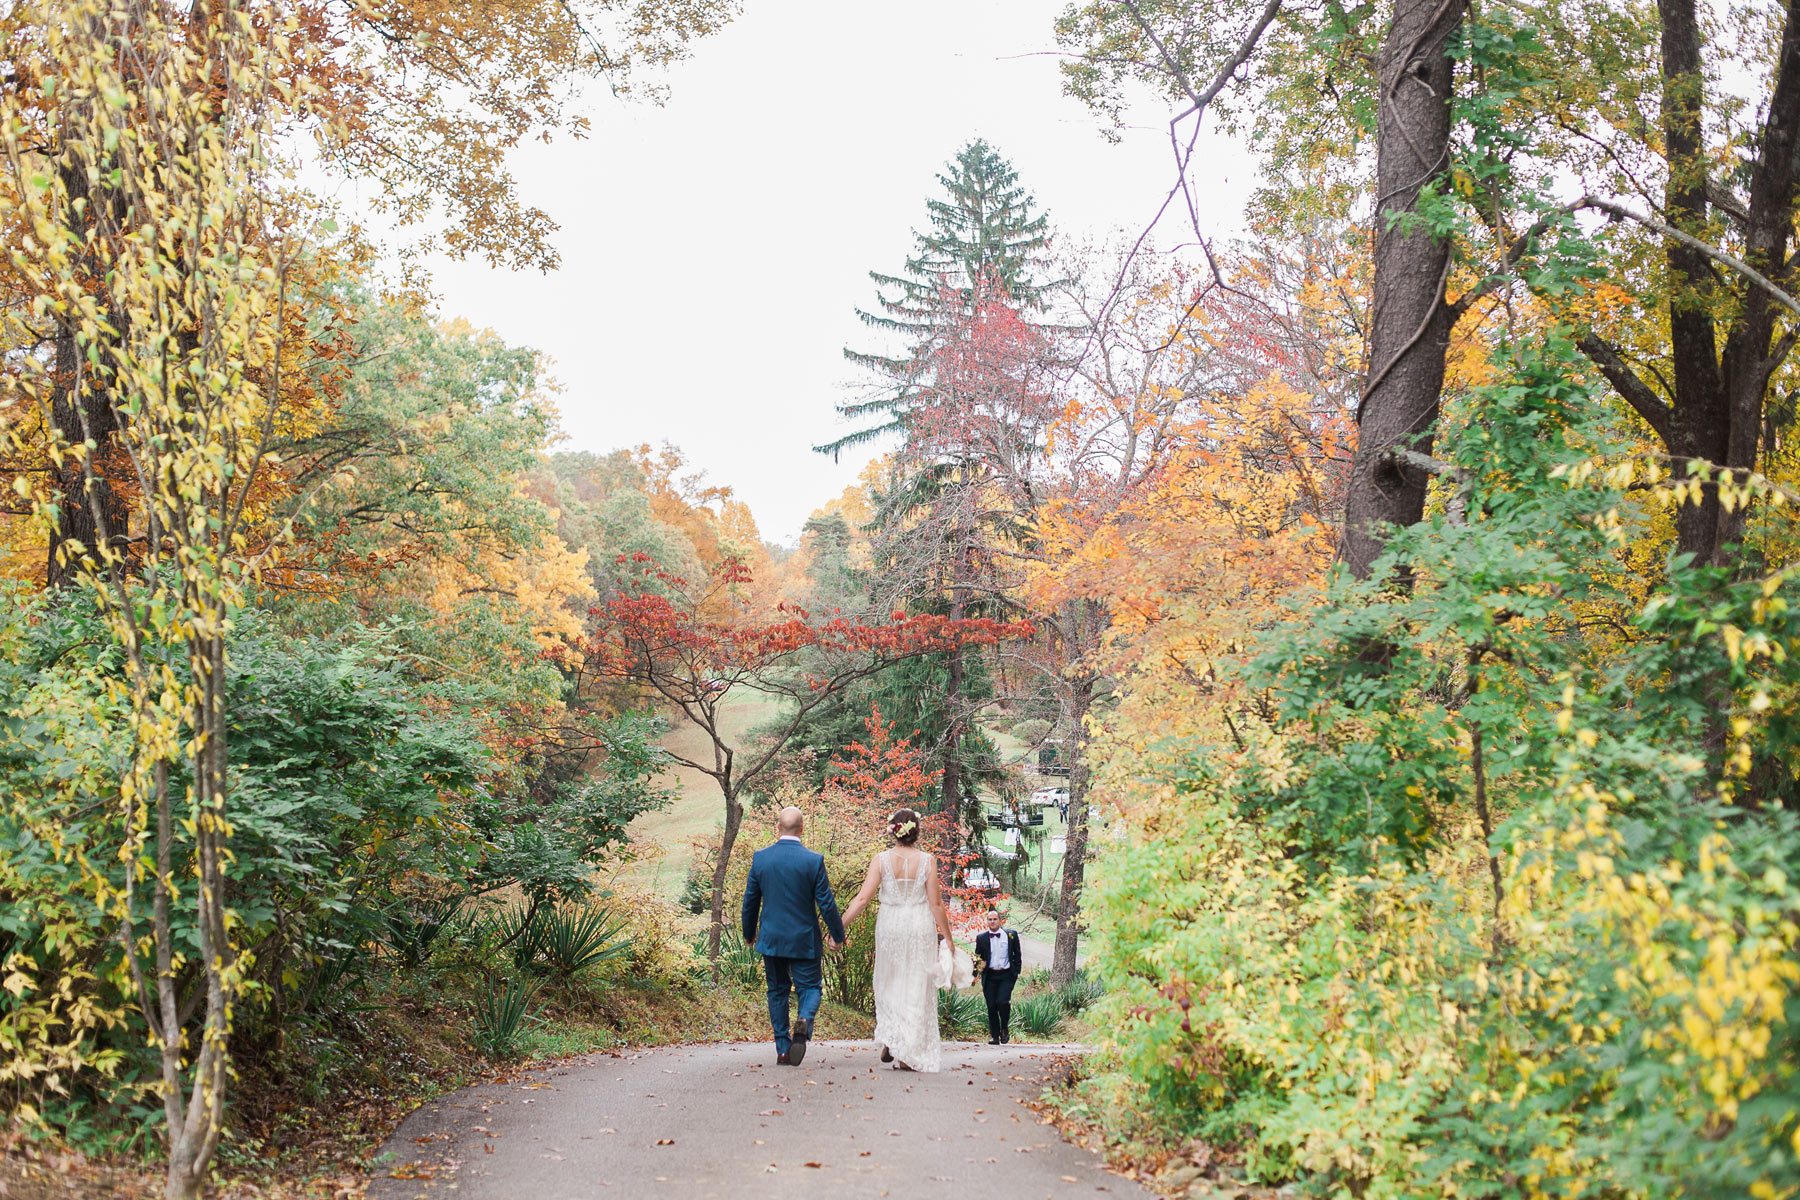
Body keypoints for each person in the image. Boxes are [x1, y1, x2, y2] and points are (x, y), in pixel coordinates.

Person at [842, 807, 956, 1072]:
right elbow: (936, 903)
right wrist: (948, 938)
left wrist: (839, 925)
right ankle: (906, 1051)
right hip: (918, 925)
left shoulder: (881, 859)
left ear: (892, 830)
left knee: (890, 980)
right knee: (916, 984)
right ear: (916, 831)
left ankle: (892, 1036)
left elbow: (862, 898)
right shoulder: (928, 860)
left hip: (891, 924)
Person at [741, 805, 844, 1066]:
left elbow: (750, 900)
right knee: (809, 988)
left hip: (772, 938)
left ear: (778, 827)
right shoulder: (813, 860)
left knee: (777, 991)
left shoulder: (761, 858)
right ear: (802, 828)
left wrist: (749, 932)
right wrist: (837, 935)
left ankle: (783, 1049)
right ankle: (805, 1019)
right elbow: (826, 903)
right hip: (803, 939)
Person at [974, 910, 1022, 1044]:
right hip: (989, 976)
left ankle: (1004, 1028)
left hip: (1006, 975)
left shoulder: (1011, 935)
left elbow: (1017, 954)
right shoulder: (981, 938)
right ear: (987, 921)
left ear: (1000, 921)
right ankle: (995, 1036)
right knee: (991, 1006)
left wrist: (1016, 971)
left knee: (1002, 1002)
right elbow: (978, 958)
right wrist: (978, 969)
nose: (992, 922)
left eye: (995, 919)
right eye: (990, 919)